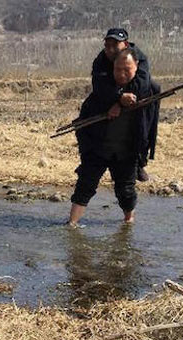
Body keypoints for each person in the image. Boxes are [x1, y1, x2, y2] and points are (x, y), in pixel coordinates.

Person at [68, 48, 157, 227]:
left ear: (137, 67)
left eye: (127, 69)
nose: (122, 74)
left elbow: (150, 124)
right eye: (118, 69)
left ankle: (128, 222)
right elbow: (83, 123)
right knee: (85, 186)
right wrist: (114, 103)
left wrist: (144, 153)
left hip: (127, 150)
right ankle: (71, 224)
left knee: (126, 191)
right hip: (98, 148)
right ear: (112, 67)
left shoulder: (149, 90)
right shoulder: (102, 91)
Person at [90, 28, 160, 181]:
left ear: (126, 44)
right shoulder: (101, 60)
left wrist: (121, 103)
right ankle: (92, 160)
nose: (110, 49)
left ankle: (139, 161)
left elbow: (142, 84)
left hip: (136, 98)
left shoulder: (138, 57)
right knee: (91, 106)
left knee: (154, 90)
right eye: (107, 45)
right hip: (110, 97)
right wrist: (117, 98)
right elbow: (99, 84)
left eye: (115, 45)